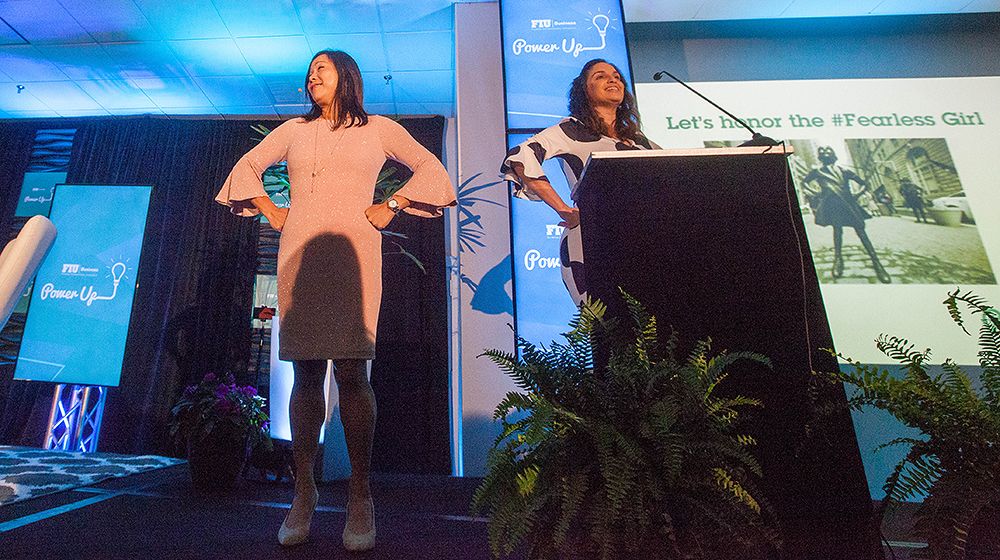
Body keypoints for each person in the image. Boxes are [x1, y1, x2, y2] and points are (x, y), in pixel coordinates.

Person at [216, 50, 456, 551]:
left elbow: (429, 167)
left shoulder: (379, 127)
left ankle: (360, 495)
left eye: (320, 70)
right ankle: (303, 492)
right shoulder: (294, 131)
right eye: (308, 73)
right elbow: (248, 166)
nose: (311, 78)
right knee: (305, 372)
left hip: (355, 251)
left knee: (352, 371)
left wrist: (393, 204)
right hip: (301, 253)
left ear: (346, 76)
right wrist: (271, 210)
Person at [500, 59, 660, 304]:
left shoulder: (638, 140)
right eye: (600, 76)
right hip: (591, 242)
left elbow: (675, 170)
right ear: (584, 90)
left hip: (645, 241)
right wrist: (563, 209)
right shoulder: (572, 131)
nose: (612, 79)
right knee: (607, 328)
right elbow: (522, 155)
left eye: (616, 75)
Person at [801, 146, 891, 283]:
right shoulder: (817, 172)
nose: (825, 154)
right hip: (833, 206)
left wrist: (857, 194)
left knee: (861, 232)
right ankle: (838, 260)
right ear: (820, 157)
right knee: (837, 231)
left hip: (849, 205)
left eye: (829, 152)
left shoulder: (844, 171)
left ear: (834, 156)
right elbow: (804, 183)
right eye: (822, 153)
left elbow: (864, 184)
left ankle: (876, 262)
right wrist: (815, 193)